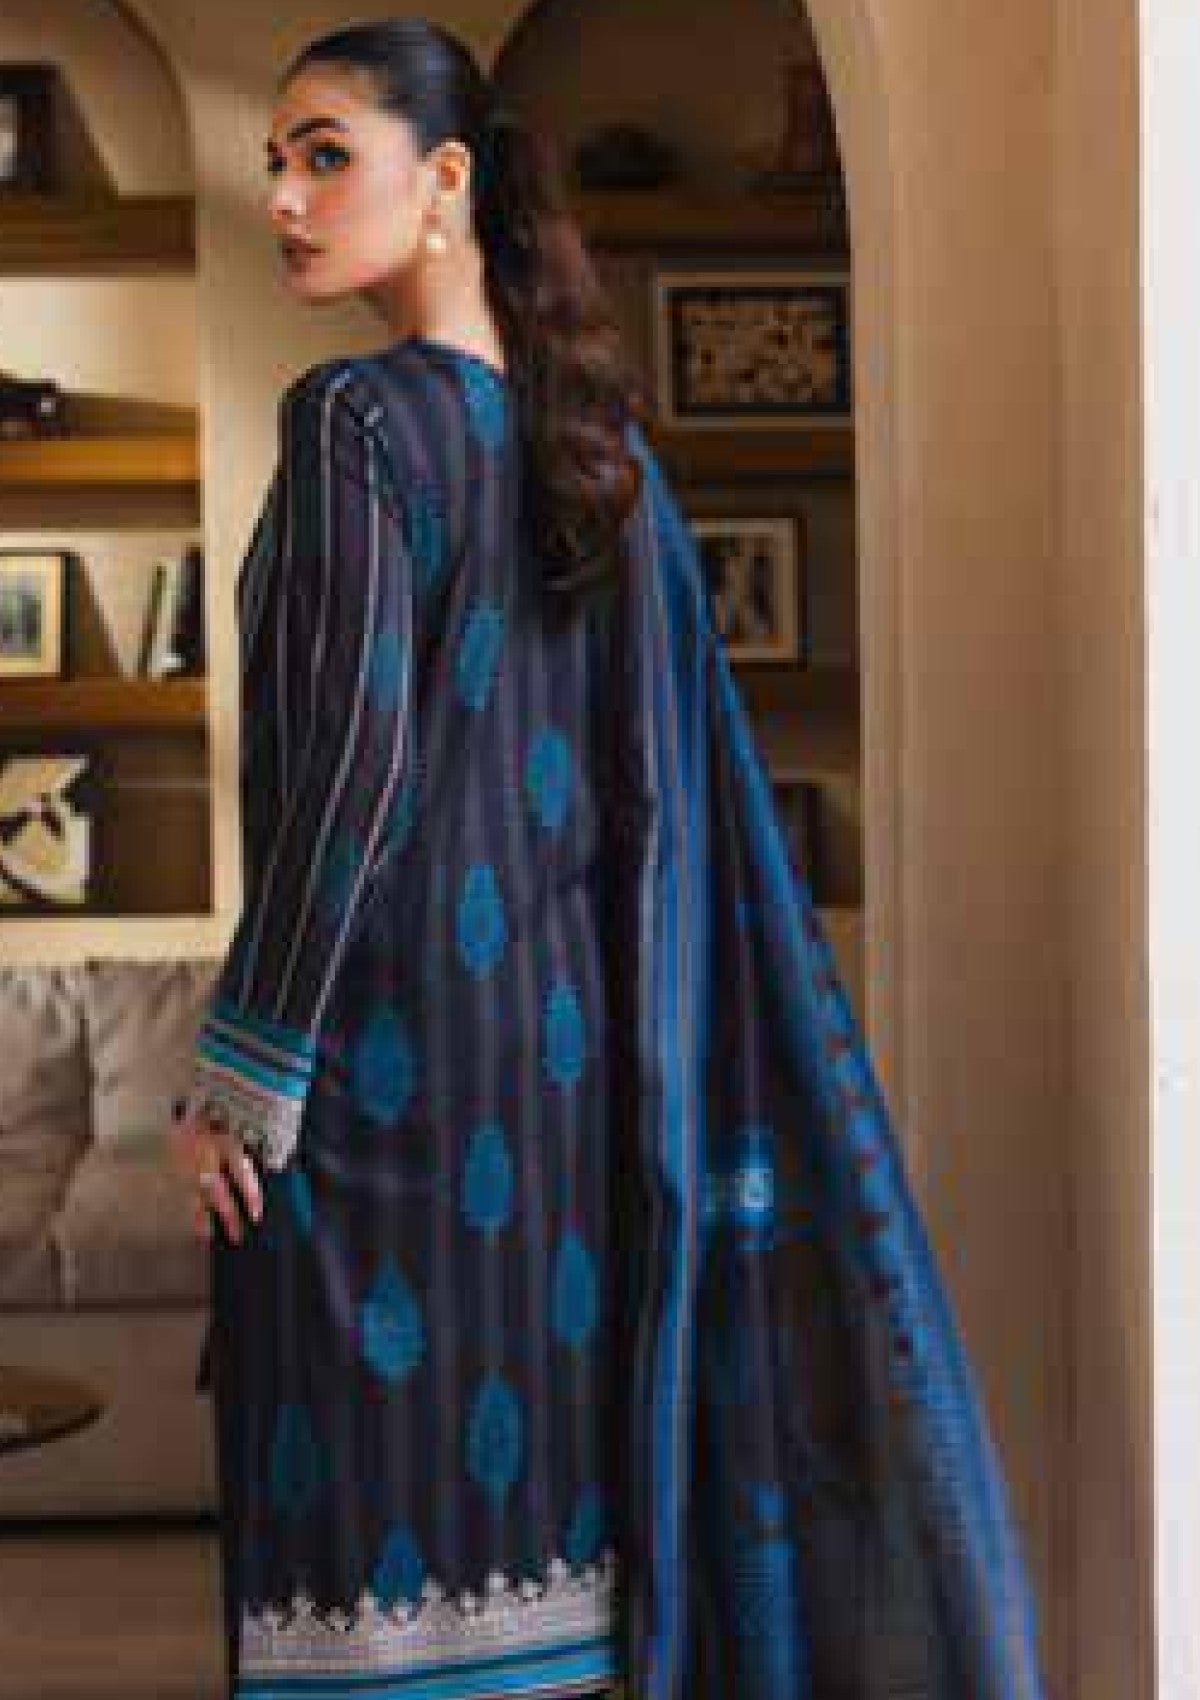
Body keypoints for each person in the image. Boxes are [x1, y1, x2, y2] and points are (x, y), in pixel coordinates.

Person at [167, 18, 1047, 1700]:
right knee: (545, 1582)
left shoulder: (355, 422)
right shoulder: (602, 453)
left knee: (360, 1576)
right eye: (274, 161)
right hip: (566, 1102)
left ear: (445, 181)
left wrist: (244, 1071)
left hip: (382, 1094)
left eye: (324, 154)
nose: (280, 195)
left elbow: (347, 772)